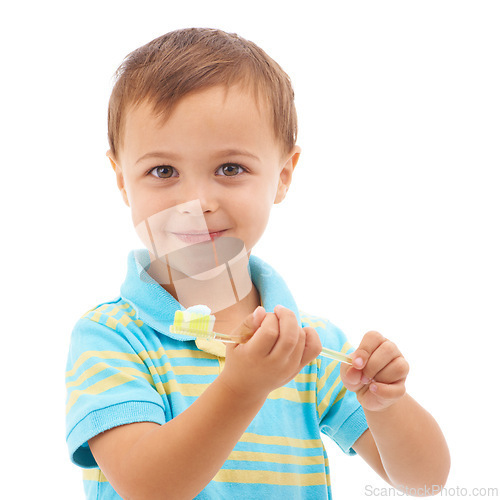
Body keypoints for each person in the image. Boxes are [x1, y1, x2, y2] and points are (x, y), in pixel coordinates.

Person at [65, 28, 450, 499]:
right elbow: (149, 488)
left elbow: (426, 482)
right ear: (123, 181)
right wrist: (242, 388)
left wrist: (388, 406)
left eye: (230, 169)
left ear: (283, 176)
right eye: (162, 171)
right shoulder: (112, 337)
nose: (197, 200)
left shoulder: (310, 344)